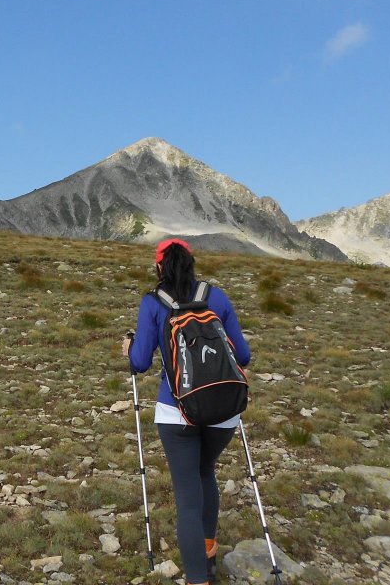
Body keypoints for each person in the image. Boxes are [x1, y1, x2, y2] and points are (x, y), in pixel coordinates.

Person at [122, 239, 251, 585]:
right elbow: (245, 356)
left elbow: (139, 363)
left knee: (187, 499)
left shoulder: (153, 302)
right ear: (191, 263)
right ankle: (208, 552)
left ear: (159, 267)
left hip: (177, 410)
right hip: (224, 410)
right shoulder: (216, 296)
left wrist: (129, 347)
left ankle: (198, 579)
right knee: (205, 469)